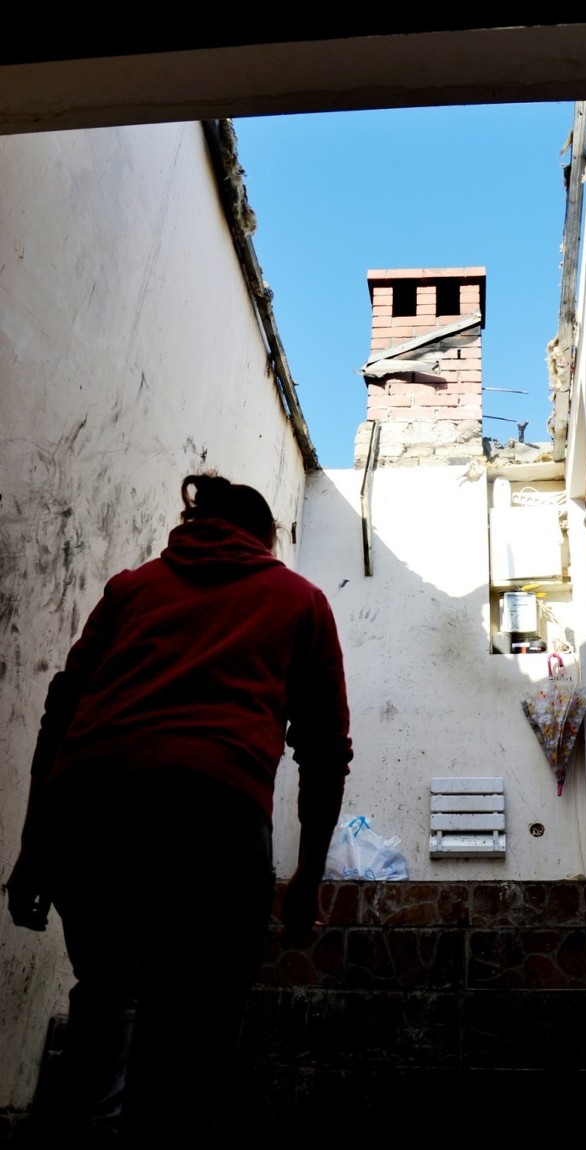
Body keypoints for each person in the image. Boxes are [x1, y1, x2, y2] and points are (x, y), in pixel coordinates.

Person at [5, 472, 353, 1145]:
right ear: (265, 537)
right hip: (214, 817)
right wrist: (307, 880)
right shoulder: (299, 600)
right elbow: (324, 750)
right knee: (194, 1020)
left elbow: (61, 711)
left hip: (91, 809)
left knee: (108, 988)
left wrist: (34, 846)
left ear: (193, 526)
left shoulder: (132, 589)